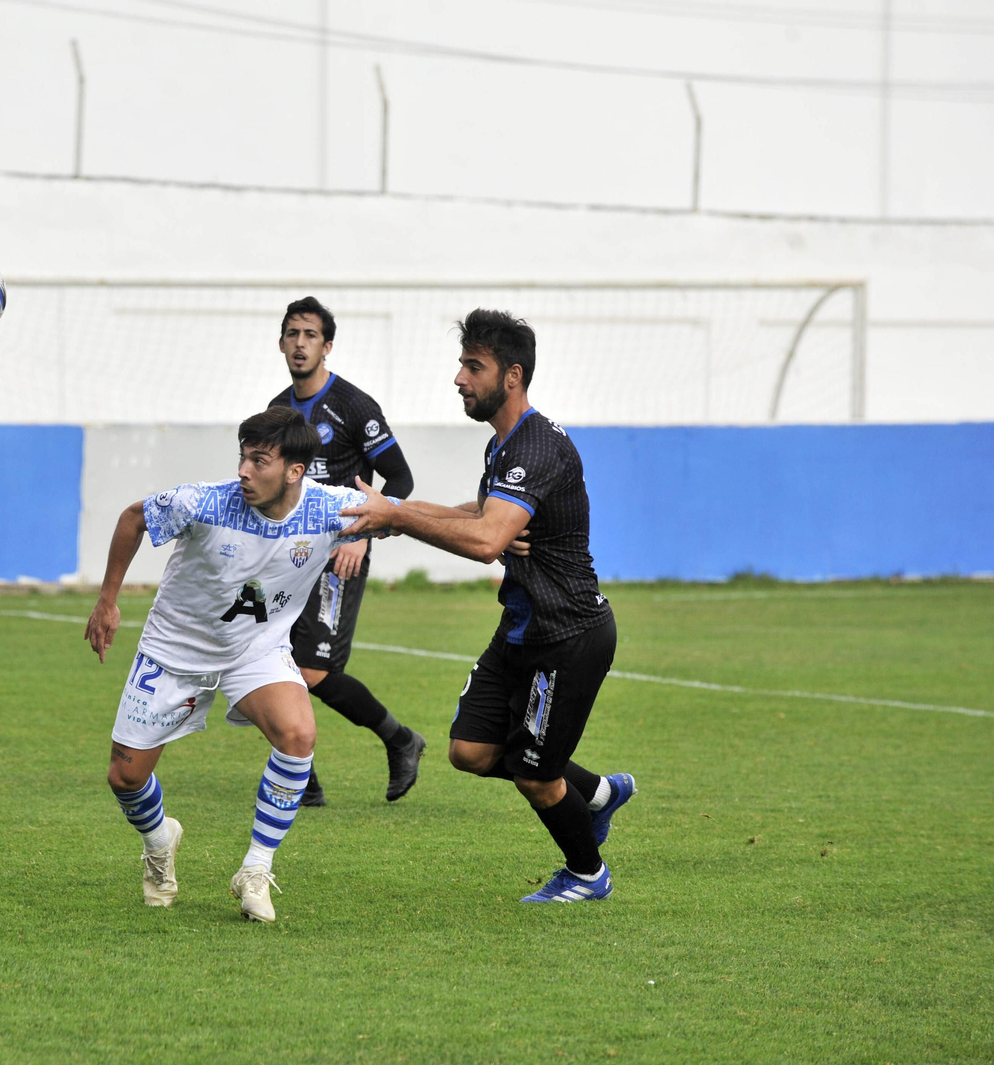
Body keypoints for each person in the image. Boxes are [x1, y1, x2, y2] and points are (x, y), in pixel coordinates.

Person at [338, 309, 636, 904]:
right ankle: (598, 794)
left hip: (568, 634)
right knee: (470, 751)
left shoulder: (535, 446)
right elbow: (480, 518)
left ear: (513, 375)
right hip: (523, 626)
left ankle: (587, 874)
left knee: (535, 775)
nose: (459, 379)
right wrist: (401, 517)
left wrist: (398, 516)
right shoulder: (502, 444)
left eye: (474, 367)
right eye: (461, 364)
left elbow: (484, 542)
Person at [85, 406, 388, 923]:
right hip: (175, 649)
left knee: (298, 735)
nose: (244, 470)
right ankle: (160, 843)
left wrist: (492, 520)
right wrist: (108, 600)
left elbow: (412, 514)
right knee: (124, 776)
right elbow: (134, 517)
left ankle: (254, 868)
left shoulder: (329, 509)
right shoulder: (203, 502)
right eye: (243, 457)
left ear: (295, 471)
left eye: (259, 460)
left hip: (255, 649)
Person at [266, 297, 425, 805]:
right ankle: (302, 778)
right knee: (262, 657)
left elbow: (399, 477)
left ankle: (400, 740)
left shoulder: (355, 406)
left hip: (338, 557)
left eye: (310, 335)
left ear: (327, 346)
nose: (299, 343)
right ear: (281, 342)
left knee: (312, 671)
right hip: (283, 558)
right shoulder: (277, 412)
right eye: (292, 333)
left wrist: (361, 535)